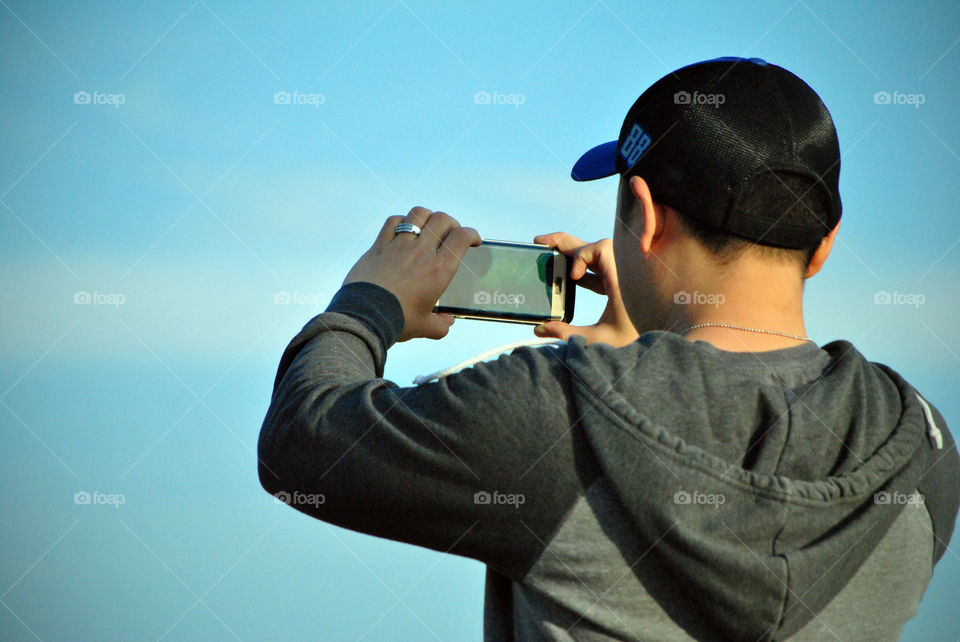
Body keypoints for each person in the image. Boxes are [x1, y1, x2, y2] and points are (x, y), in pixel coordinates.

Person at [258, 57, 960, 640]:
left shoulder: (551, 406)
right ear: (824, 246)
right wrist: (640, 357)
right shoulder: (920, 443)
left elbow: (303, 442)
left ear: (644, 217)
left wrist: (368, 302)